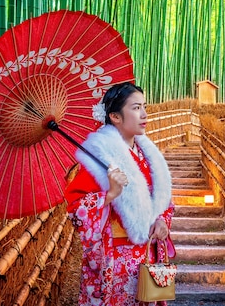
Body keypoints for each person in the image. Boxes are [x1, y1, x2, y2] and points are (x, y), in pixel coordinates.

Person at [64, 82, 174, 306]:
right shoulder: (100, 160)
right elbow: (76, 209)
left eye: (145, 107)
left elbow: (164, 202)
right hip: (115, 261)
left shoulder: (149, 155)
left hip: (147, 256)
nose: (144, 114)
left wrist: (162, 220)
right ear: (115, 116)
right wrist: (110, 194)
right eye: (135, 108)